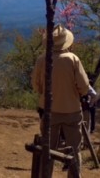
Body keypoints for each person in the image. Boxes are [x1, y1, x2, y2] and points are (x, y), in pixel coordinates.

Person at [31, 24, 90, 174]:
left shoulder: (41, 60)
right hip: (72, 110)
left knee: (47, 150)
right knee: (74, 150)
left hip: (49, 111)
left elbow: (36, 86)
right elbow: (84, 86)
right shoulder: (73, 59)